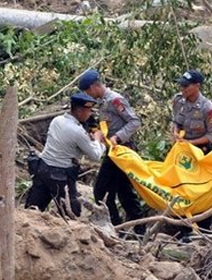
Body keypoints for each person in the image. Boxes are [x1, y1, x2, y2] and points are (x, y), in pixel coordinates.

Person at [79, 69, 145, 226]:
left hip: (123, 150)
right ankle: (137, 229)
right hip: (114, 151)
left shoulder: (115, 100)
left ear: (94, 86)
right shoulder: (102, 102)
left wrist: (118, 137)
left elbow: (135, 122)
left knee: (101, 191)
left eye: (87, 91)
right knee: (125, 192)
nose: (88, 95)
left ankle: (114, 225)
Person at [25, 93, 105, 217]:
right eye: (88, 111)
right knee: (71, 214)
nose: (90, 114)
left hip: (42, 170)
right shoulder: (77, 131)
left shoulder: (57, 120)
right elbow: (95, 155)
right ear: (79, 111)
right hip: (61, 177)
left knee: (31, 211)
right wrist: (98, 140)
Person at [172, 69, 212, 154]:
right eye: (181, 85)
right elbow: (176, 122)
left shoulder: (209, 110)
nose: (182, 88)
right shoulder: (178, 100)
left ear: (197, 86)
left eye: (186, 86)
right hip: (183, 147)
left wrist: (189, 143)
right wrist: (175, 132)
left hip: (203, 150)